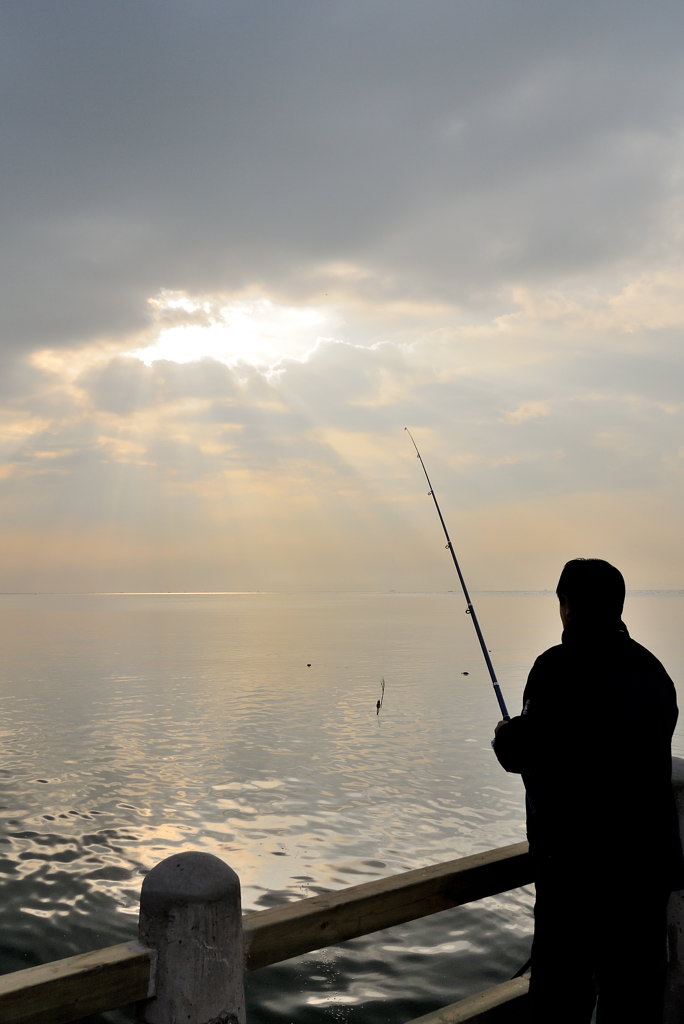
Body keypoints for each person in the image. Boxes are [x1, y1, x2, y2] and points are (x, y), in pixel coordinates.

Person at [493, 558, 682, 1023]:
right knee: (634, 997)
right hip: (645, 873)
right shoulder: (654, 673)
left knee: (561, 997)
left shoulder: (555, 668)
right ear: (618, 607)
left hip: (574, 874)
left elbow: (525, 751)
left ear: (568, 606)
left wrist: (505, 734)